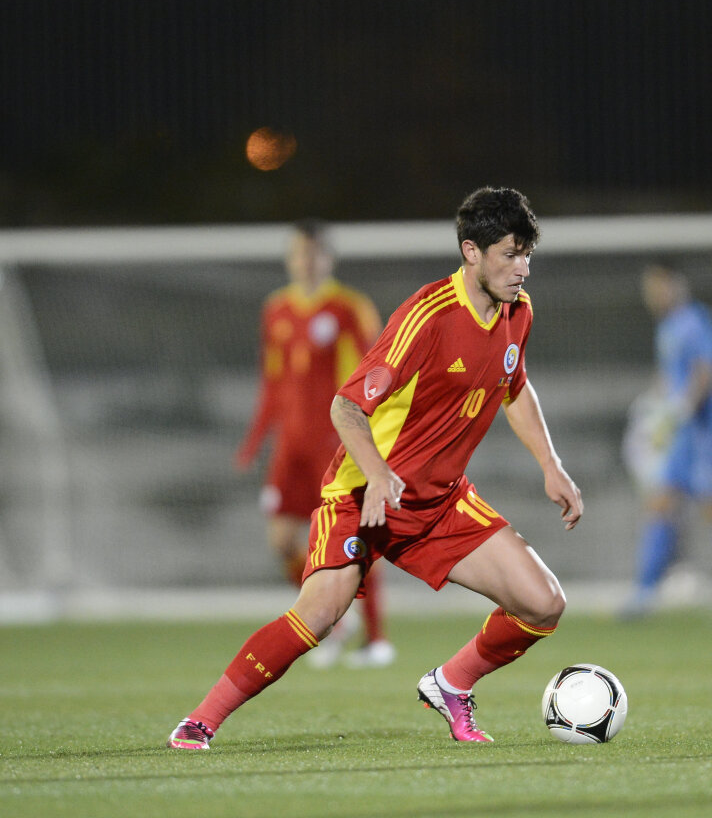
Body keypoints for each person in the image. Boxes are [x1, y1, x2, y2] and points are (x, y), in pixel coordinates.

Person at [170, 187, 583, 749]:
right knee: (318, 615)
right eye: (510, 255)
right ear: (471, 252)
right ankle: (200, 720)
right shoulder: (427, 317)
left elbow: (516, 385)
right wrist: (379, 473)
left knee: (543, 603)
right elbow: (346, 406)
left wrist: (551, 465)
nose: (522, 268)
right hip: (361, 492)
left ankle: (451, 683)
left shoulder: (519, 311)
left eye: (527, 254)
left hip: (439, 502)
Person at [234, 220, 394, 669]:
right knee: (282, 540)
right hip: (291, 446)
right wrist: (254, 442)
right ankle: (335, 621)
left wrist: (376, 435)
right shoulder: (276, 309)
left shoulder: (349, 308)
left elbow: (377, 372)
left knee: (356, 538)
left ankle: (376, 639)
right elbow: (272, 381)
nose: (305, 262)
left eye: (314, 253)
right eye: (299, 253)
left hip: (335, 442)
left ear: (328, 258)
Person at [621, 262, 712, 621]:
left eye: (658, 287)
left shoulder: (695, 321)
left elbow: (706, 371)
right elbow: (671, 375)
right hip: (682, 438)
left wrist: (684, 406)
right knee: (660, 505)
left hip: (705, 434)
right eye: (649, 290)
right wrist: (654, 404)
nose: (652, 296)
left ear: (676, 285)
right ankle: (644, 595)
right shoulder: (667, 327)